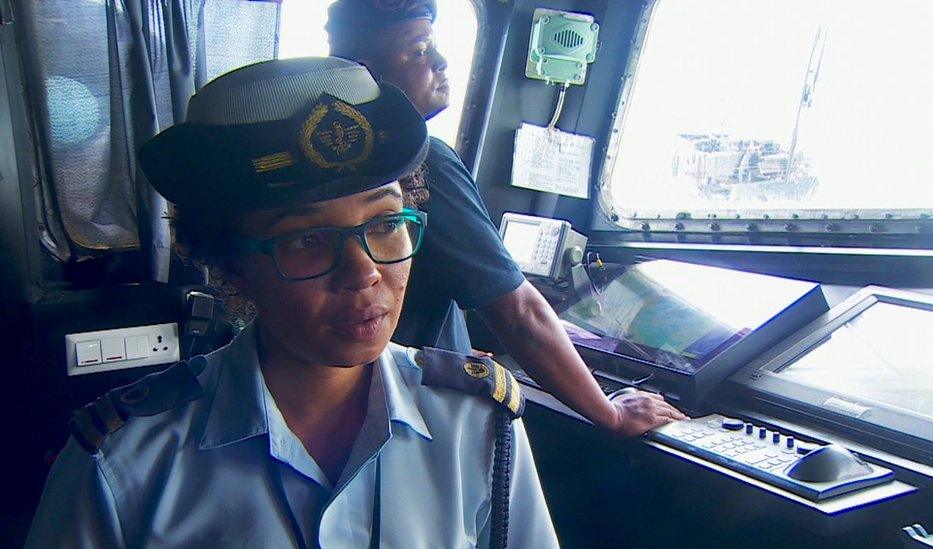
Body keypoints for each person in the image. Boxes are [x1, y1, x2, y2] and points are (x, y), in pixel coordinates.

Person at [25, 57, 558, 548]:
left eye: (387, 223)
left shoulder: (479, 425)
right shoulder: (125, 465)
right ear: (227, 261)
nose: (365, 272)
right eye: (305, 239)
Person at [325, 0, 687, 437]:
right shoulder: (423, 160)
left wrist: (450, 350)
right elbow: (519, 314)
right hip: (406, 409)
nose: (440, 62)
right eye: (420, 50)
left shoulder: (331, 162)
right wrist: (612, 413)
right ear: (367, 72)